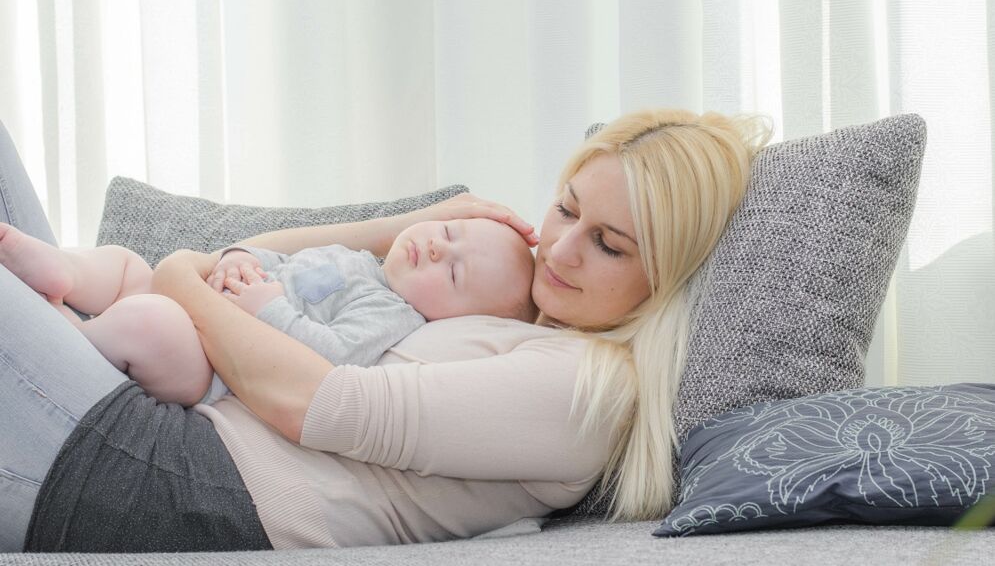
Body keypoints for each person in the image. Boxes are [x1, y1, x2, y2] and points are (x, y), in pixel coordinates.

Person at [0, 108, 770, 552]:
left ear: (665, 275)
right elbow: (249, 265)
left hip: (172, 483)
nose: (561, 249)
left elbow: (314, 403)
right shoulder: (498, 303)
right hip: (158, 412)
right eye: (566, 208)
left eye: (609, 244)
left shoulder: (586, 389)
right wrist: (397, 226)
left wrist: (174, 277)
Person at [0, 216, 537, 405]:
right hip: (199, 300)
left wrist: (269, 307)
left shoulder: (391, 317)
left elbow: (326, 361)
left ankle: (66, 333)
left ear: (453, 321)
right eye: (449, 232)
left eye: (454, 273)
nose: (439, 248)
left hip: (211, 367)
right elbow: (277, 260)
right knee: (125, 264)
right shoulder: (359, 260)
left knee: (151, 322)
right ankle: (63, 271)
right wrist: (238, 259)